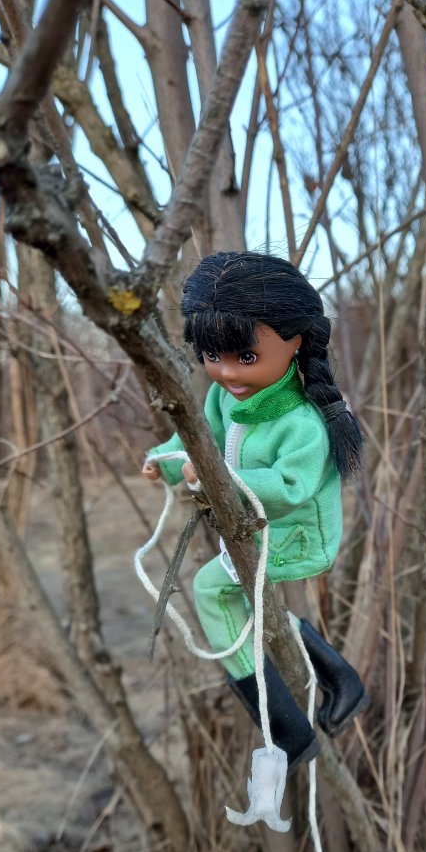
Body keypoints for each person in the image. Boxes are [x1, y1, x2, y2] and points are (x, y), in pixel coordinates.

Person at [142, 251, 368, 774]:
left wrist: (221, 480)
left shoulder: (302, 422)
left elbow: (291, 486)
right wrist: (166, 461)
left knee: (210, 591)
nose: (224, 373)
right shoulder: (227, 399)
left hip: (297, 537)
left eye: (244, 357)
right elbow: (199, 439)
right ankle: (339, 679)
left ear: (295, 342)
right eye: (210, 356)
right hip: (255, 531)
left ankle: (287, 731)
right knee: (244, 604)